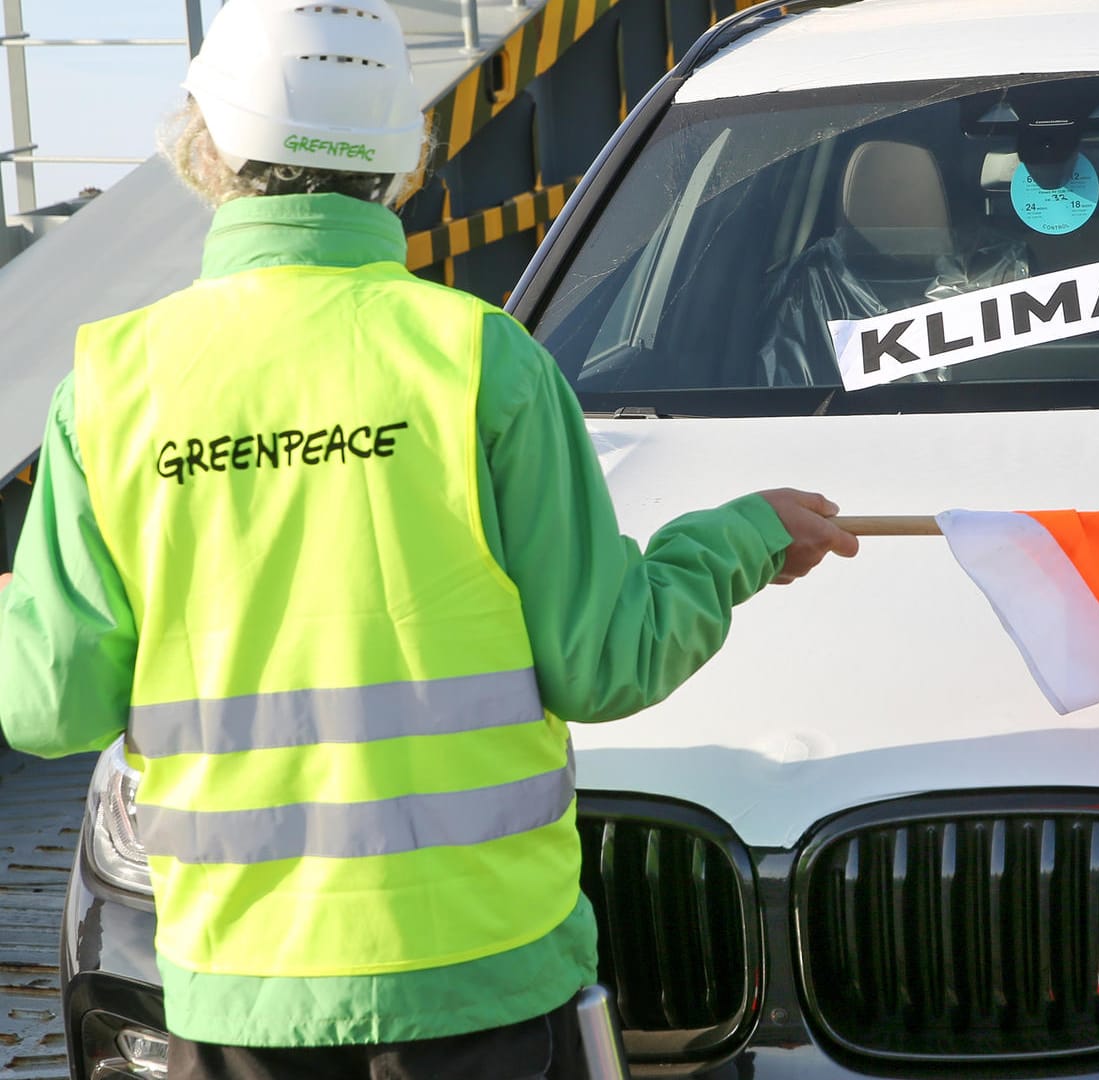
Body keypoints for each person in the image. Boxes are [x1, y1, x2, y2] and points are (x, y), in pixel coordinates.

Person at [0, 0, 857, 1076]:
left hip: (237, 992)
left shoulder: (113, 384)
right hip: (484, 975)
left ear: (205, 144)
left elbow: (51, 703)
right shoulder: (478, 360)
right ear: (402, 161)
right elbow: (606, 663)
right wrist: (736, 541)